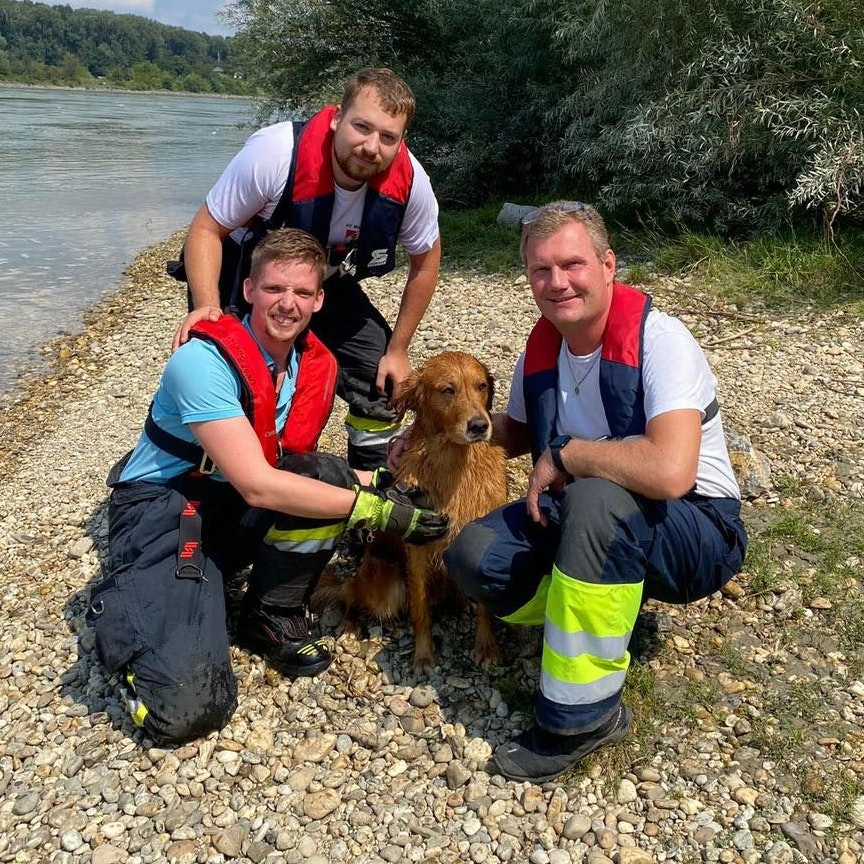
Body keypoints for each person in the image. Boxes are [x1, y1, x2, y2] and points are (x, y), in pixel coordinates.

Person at [88, 228, 447, 745]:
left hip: (229, 498)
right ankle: (130, 605)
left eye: (302, 293)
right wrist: (376, 511)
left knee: (323, 474)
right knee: (188, 710)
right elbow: (259, 485)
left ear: (320, 299)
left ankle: (269, 616)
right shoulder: (201, 362)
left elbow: (285, 464)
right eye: (275, 289)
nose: (288, 304)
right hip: (164, 506)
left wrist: (384, 480)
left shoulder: (308, 363)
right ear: (250, 290)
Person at [442, 201, 747, 784]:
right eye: (540, 269)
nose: (556, 282)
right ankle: (599, 607)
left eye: (572, 264)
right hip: (590, 518)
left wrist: (570, 454)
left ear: (608, 265)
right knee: (471, 556)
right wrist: (433, 431)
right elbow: (516, 433)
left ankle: (579, 720)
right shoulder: (542, 345)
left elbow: (670, 472)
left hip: (698, 529)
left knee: (594, 496)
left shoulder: (661, 340)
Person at [170, 67, 441, 472]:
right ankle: (213, 469)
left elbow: (426, 262)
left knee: (381, 378)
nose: (371, 147)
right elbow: (207, 229)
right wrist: (206, 306)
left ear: (401, 140)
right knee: (231, 369)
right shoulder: (275, 153)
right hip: (248, 275)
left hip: (325, 280)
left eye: (387, 137)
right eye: (361, 127)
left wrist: (398, 349)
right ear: (335, 118)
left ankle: (371, 481)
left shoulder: (411, 182)